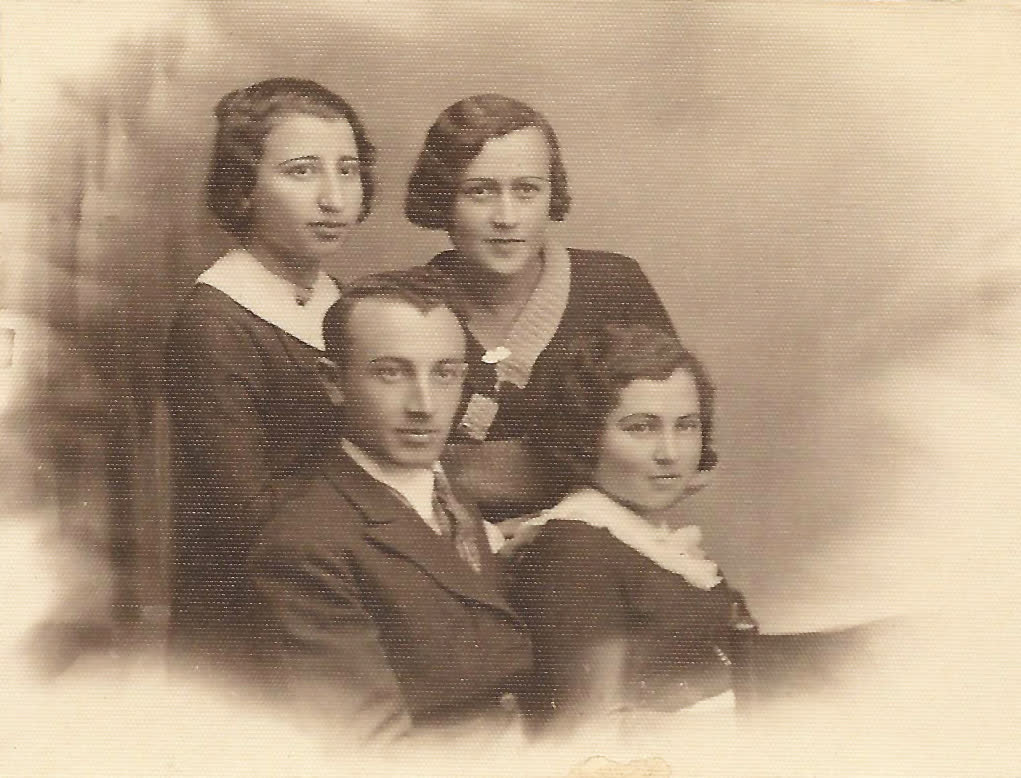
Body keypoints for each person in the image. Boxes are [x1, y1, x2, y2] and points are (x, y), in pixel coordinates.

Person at [247, 269, 533, 746]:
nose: (424, 405)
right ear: (333, 382)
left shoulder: (447, 496)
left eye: (444, 373)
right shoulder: (305, 544)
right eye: (391, 372)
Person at [162, 77, 376, 663]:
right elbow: (250, 518)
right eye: (302, 171)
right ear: (245, 188)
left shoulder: (342, 301)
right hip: (254, 623)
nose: (334, 198)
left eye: (348, 170)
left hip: (341, 590)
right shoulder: (216, 324)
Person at [405, 94, 678, 520]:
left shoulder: (614, 287)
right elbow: (372, 467)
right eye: (479, 191)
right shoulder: (404, 307)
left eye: (527, 190)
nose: (506, 217)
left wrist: (461, 469)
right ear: (442, 198)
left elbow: (683, 453)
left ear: (552, 195)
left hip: (593, 539)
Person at [510, 323, 753, 744]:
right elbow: (581, 737)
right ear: (586, 436)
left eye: (686, 426)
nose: (670, 453)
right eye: (641, 427)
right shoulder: (576, 550)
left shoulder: (636, 537)